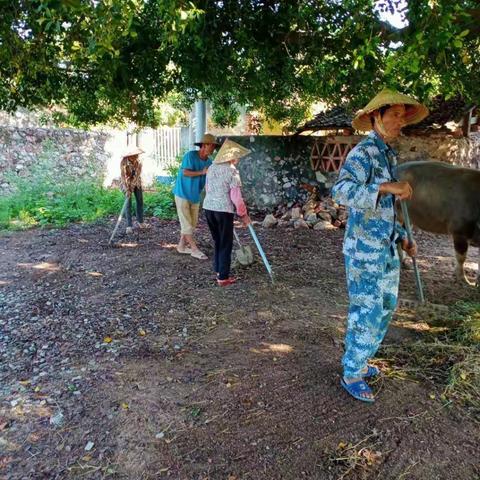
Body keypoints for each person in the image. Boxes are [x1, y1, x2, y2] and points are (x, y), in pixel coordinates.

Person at [331, 89, 429, 403]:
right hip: (364, 251)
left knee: (385, 306)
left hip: (385, 247)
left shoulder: (387, 154)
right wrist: (387, 185)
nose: (401, 121)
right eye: (395, 115)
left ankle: (361, 359)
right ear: (377, 117)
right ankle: (351, 372)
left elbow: (383, 209)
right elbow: (341, 191)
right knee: (367, 310)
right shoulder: (364, 153)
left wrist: (402, 234)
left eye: (403, 115)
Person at [203, 139, 251, 286]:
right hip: (223, 211)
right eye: (235, 156)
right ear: (229, 156)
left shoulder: (211, 168)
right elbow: (236, 198)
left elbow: (207, 188)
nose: (237, 159)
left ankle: (218, 269)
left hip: (208, 208)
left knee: (218, 240)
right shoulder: (232, 171)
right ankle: (223, 277)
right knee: (225, 243)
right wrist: (244, 215)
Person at [173, 133, 219, 259]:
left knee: (191, 225)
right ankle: (194, 249)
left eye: (214, 147)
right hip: (182, 194)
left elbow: (209, 180)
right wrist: (201, 172)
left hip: (195, 196)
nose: (213, 149)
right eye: (212, 146)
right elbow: (185, 172)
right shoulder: (190, 156)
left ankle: (181, 246)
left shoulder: (209, 162)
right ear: (204, 145)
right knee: (186, 224)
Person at [120, 145, 147, 235]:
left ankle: (140, 222)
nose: (136, 156)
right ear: (129, 156)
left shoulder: (139, 162)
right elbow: (123, 177)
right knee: (128, 203)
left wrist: (132, 186)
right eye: (134, 155)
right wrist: (127, 189)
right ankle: (129, 226)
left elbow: (137, 175)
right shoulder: (123, 163)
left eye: (137, 154)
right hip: (126, 183)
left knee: (140, 200)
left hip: (136, 182)